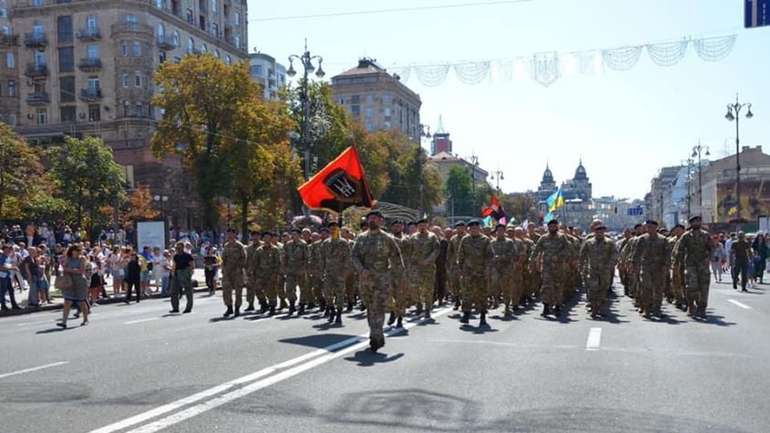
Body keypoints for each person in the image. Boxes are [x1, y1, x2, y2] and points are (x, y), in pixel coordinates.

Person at [352, 210, 404, 352]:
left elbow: (397, 258)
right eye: (370, 218)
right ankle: (375, 334)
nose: (372, 221)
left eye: (375, 218)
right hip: (366, 280)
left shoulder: (387, 238)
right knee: (370, 308)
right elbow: (354, 256)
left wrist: (397, 277)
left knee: (378, 307)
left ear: (381, 221)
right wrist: (361, 269)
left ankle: (376, 336)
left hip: (382, 279)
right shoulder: (361, 238)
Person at [530, 219, 574, 318]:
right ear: (548, 227)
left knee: (558, 286)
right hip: (547, 267)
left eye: (554, 226)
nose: (552, 228)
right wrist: (532, 261)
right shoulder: (543, 238)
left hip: (559, 266)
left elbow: (568, 250)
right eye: (551, 226)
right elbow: (536, 250)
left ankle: (557, 306)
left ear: (557, 227)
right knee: (546, 286)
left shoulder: (562, 237)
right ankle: (546, 306)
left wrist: (560, 256)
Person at [676, 216, 713, 318]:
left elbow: (711, 248)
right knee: (691, 287)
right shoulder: (686, 236)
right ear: (691, 224)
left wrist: (709, 258)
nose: (697, 223)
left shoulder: (706, 235)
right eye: (694, 222)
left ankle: (702, 308)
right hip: (690, 265)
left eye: (698, 221)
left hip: (703, 266)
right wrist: (679, 264)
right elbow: (680, 251)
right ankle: (691, 306)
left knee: (704, 287)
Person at [457, 219, 492, 326]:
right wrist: (460, 268)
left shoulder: (485, 240)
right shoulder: (465, 240)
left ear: (479, 228)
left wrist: (487, 269)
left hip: (481, 271)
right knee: (467, 293)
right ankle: (466, 314)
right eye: (472, 229)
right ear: (469, 229)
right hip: (468, 272)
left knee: (482, 294)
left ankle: (482, 316)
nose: (474, 230)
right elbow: (460, 255)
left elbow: (489, 256)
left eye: (476, 228)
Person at [631, 220, 669, 318]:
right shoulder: (642, 239)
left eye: (651, 227)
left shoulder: (663, 239)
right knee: (646, 288)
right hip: (646, 267)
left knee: (658, 289)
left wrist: (666, 266)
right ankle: (646, 309)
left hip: (659, 267)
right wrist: (635, 266)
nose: (649, 229)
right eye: (648, 227)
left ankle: (657, 309)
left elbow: (667, 254)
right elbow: (636, 254)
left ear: (656, 227)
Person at [579, 223, 617, 319]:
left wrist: (610, 265)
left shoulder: (609, 242)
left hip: (605, 270)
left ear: (604, 232)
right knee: (592, 289)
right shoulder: (589, 242)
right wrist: (581, 266)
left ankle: (602, 308)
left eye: (602, 231)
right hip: (593, 270)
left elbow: (614, 254)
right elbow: (582, 255)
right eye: (598, 231)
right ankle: (594, 308)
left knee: (603, 289)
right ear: (594, 232)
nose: (600, 233)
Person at [320, 221, 351, 325]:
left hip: (340, 273)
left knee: (340, 294)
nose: (333, 230)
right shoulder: (326, 243)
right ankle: (332, 310)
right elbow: (322, 258)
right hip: (328, 273)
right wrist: (321, 271)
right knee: (327, 293)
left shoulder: (343, 243)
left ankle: (339, 314)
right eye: (331, 228)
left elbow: (347, 259)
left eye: (335, 228)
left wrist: (345, 272)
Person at [408, 218, 440, 318]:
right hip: (415, 267)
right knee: (414, 287)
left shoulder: (432, 236)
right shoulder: (413, 237)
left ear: (427, 225)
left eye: (424, 225)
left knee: (428, 288)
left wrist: (428, 260)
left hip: (428, 267)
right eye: (420, 225)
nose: (422, 226)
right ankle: (418, 304)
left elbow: (436, 250)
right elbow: (409, 251)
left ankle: (427, 308)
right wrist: (412, 262)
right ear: (418, 226)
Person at [488, 224, 517, 319]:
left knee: (506, 287)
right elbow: (488, 254)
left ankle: (507, 306)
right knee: (494, 284)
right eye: (498, 230)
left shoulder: (509, 242)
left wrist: (501, 257)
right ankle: (495, 300)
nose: (500, 232)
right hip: (495, 268)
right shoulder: (492, 242)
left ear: (504, 231)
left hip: (506, 268)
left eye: (501, 230)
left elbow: (513, 253)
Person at [57, 245, 89, 328]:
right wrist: (67, 270)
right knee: (67, 301)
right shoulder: (68, 258)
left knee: (82, 301)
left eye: (77, 250)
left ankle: (85, 319)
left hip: (80, 281)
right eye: (74, 250)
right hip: (69, 281)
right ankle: (64, 322)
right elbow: (63, 268)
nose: (75, 252)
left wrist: (69, 269)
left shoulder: (82, 258)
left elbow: (81, 271)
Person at [282, 228, 309, 315]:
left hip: (300, 269)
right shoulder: (288, 244)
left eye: (295, 234)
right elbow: (284, 256)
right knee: (289, 288)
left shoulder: (303, 244)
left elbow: (307, 258)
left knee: (303, 288)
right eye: (292, 234)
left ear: (299, 235)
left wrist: (304, 268)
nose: (293, 236)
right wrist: (284, 267)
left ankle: (302, 305)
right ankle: (292, 304)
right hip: (290, 270)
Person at [220, 228, 246, 318]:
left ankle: (237, 308)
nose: (230, 235)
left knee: (238, 291)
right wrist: (223, 268)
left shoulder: (239, 245)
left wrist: (240, 267)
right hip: (227, 271)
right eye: (228, 234)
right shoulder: (226, 245)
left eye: (231, 233)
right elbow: (223, 258)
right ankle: (229, 307)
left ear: (235, 234)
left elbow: (244, 258)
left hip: (237, 271)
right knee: (226, 290)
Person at [170, 241, 195, 314]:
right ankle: (175, 308)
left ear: (183, 248)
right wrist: (173, 273)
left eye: (179, 248)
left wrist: (190, 273)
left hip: (185, 272)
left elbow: (192, 265)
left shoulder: (188, 255)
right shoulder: (176, 256)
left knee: (188, 291)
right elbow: (174, 265)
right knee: (174, 291)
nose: (178, 249)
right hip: (177, 273)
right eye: (177, 248)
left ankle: (188, 308)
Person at [0, 244, 21, 311]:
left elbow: (9, 265)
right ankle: (3, 306)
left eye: (9, 249)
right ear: (4, 250)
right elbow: (1, 267)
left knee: (11, 290)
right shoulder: (1, 257)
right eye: (7, 249)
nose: (9, 251)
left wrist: (13, 267)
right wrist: (12, 268)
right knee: (3, 292)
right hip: (2, 277)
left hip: (7, 276)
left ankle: (14, 305)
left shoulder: (8, 257)